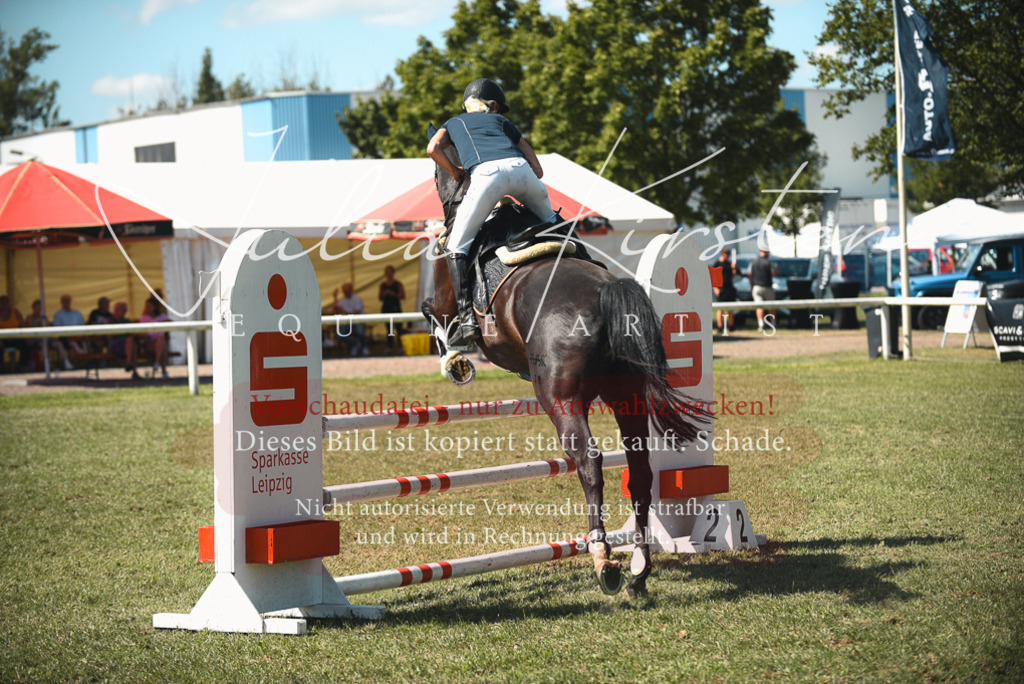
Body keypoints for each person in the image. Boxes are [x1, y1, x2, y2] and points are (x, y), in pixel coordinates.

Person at [426, 77, 557, 347]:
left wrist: (456, 172)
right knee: (555, 225)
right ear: (493, 106)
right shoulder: (503, 123)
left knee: (456, 247)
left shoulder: (453, 123)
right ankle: (587, 261)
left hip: (485, 177)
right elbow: (538, 169)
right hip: (522, 170)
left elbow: (433, 148)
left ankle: (466, 322)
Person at [332, 283, 369, 356]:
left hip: (359, 321)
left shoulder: (357, 299)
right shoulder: (342, 300)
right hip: (349, 322)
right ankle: (355, 344)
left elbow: (356, 313)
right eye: (344, 291)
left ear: (351, 290)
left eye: (347, 290)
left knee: (360, 332)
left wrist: (344, 311)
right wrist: (335, 298)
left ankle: (364, 347)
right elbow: (335, 310)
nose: (345, 292)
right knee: (338, 335)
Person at [52, 294, 87, 370]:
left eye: (68, 300)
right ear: (61, 302)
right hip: (65, 338)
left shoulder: (77, 313)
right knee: (72, 343)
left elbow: (83, 325)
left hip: (78, 336)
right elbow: (57, 328)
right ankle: (70, 362)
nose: (67, 302)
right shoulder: (58, 314)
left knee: (86, 341)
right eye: (65, 300)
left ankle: (86, 361)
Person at [378, 265, 406, 354]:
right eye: (387, 272)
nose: (388, 274)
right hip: (386, 308)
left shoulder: (398, 284)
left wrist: (393, 294)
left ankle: (401, 346)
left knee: (399, 328)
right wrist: (385, 294)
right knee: (389, 329)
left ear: (393, 273)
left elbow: (402, 296)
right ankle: (389, 346)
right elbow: (380, 297)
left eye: (390, 272)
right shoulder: (382, 285)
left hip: (396, 308)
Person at [139, 299, 169, 379]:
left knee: (161, 341)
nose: (147, 308)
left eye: (149, 306)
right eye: (146, 306)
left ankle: (157, 362)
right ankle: (163, 370)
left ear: (155, 307)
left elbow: (171, 323)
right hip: (149, 343)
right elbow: (141, 333)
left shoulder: (162, 316)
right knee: (162, 343)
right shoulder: (144, 318)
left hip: (159, 343)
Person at [109, 301, 139, 380]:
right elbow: (110, 335)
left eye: (125, 309)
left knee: (133, 345)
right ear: (116, 310)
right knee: (131, 342)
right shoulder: (110, 321)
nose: (125, 311)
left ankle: (131, 367)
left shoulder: (126, 321)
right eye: (123, 309)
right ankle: (130, 364)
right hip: (115, 346)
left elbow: (133, 333)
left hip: (127, 346)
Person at [749, 248, 776, 332]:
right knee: (771, 306)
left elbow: (750, 274)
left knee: (759, 306)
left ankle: (761, 325)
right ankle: (773, 323)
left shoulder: (753, 262)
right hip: (767, 286)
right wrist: (776, 268)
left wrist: (752, 286)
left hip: (756, 287)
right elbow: (774, 274)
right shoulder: (769, 262)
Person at [713, 249, 738, 332]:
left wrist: (734, 269)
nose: (727, 257)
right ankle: (720, 327)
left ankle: (731, 326)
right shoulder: (717, 264)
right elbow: (713, 278)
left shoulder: (729, 264)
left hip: (729, 289)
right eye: (726, 255)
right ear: (722, 254)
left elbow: (733, 276)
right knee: (720, 309)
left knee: (730, 309)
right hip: (721, 289)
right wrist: (716, 289)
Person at [0, 295, 26, 371]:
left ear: (9, 303)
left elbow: (23, 324)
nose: (4, 305)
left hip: (15, 337)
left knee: (25, 344)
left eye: (6, 302)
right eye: (2, 302)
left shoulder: (15, 312)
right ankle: (1, 366)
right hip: (2, 339)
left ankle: (22, 365)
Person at [21, 300, 47, 370]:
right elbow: (28, 327)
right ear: (33, 308)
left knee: (52, 343)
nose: (38, 309)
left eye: (40, 308)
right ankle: (43, 364)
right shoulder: (29, 317)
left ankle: (45, 363)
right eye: (37, 307)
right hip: (33, 339)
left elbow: (47, 327)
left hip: (43, 338)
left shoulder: (44, 317)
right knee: (41, 344)